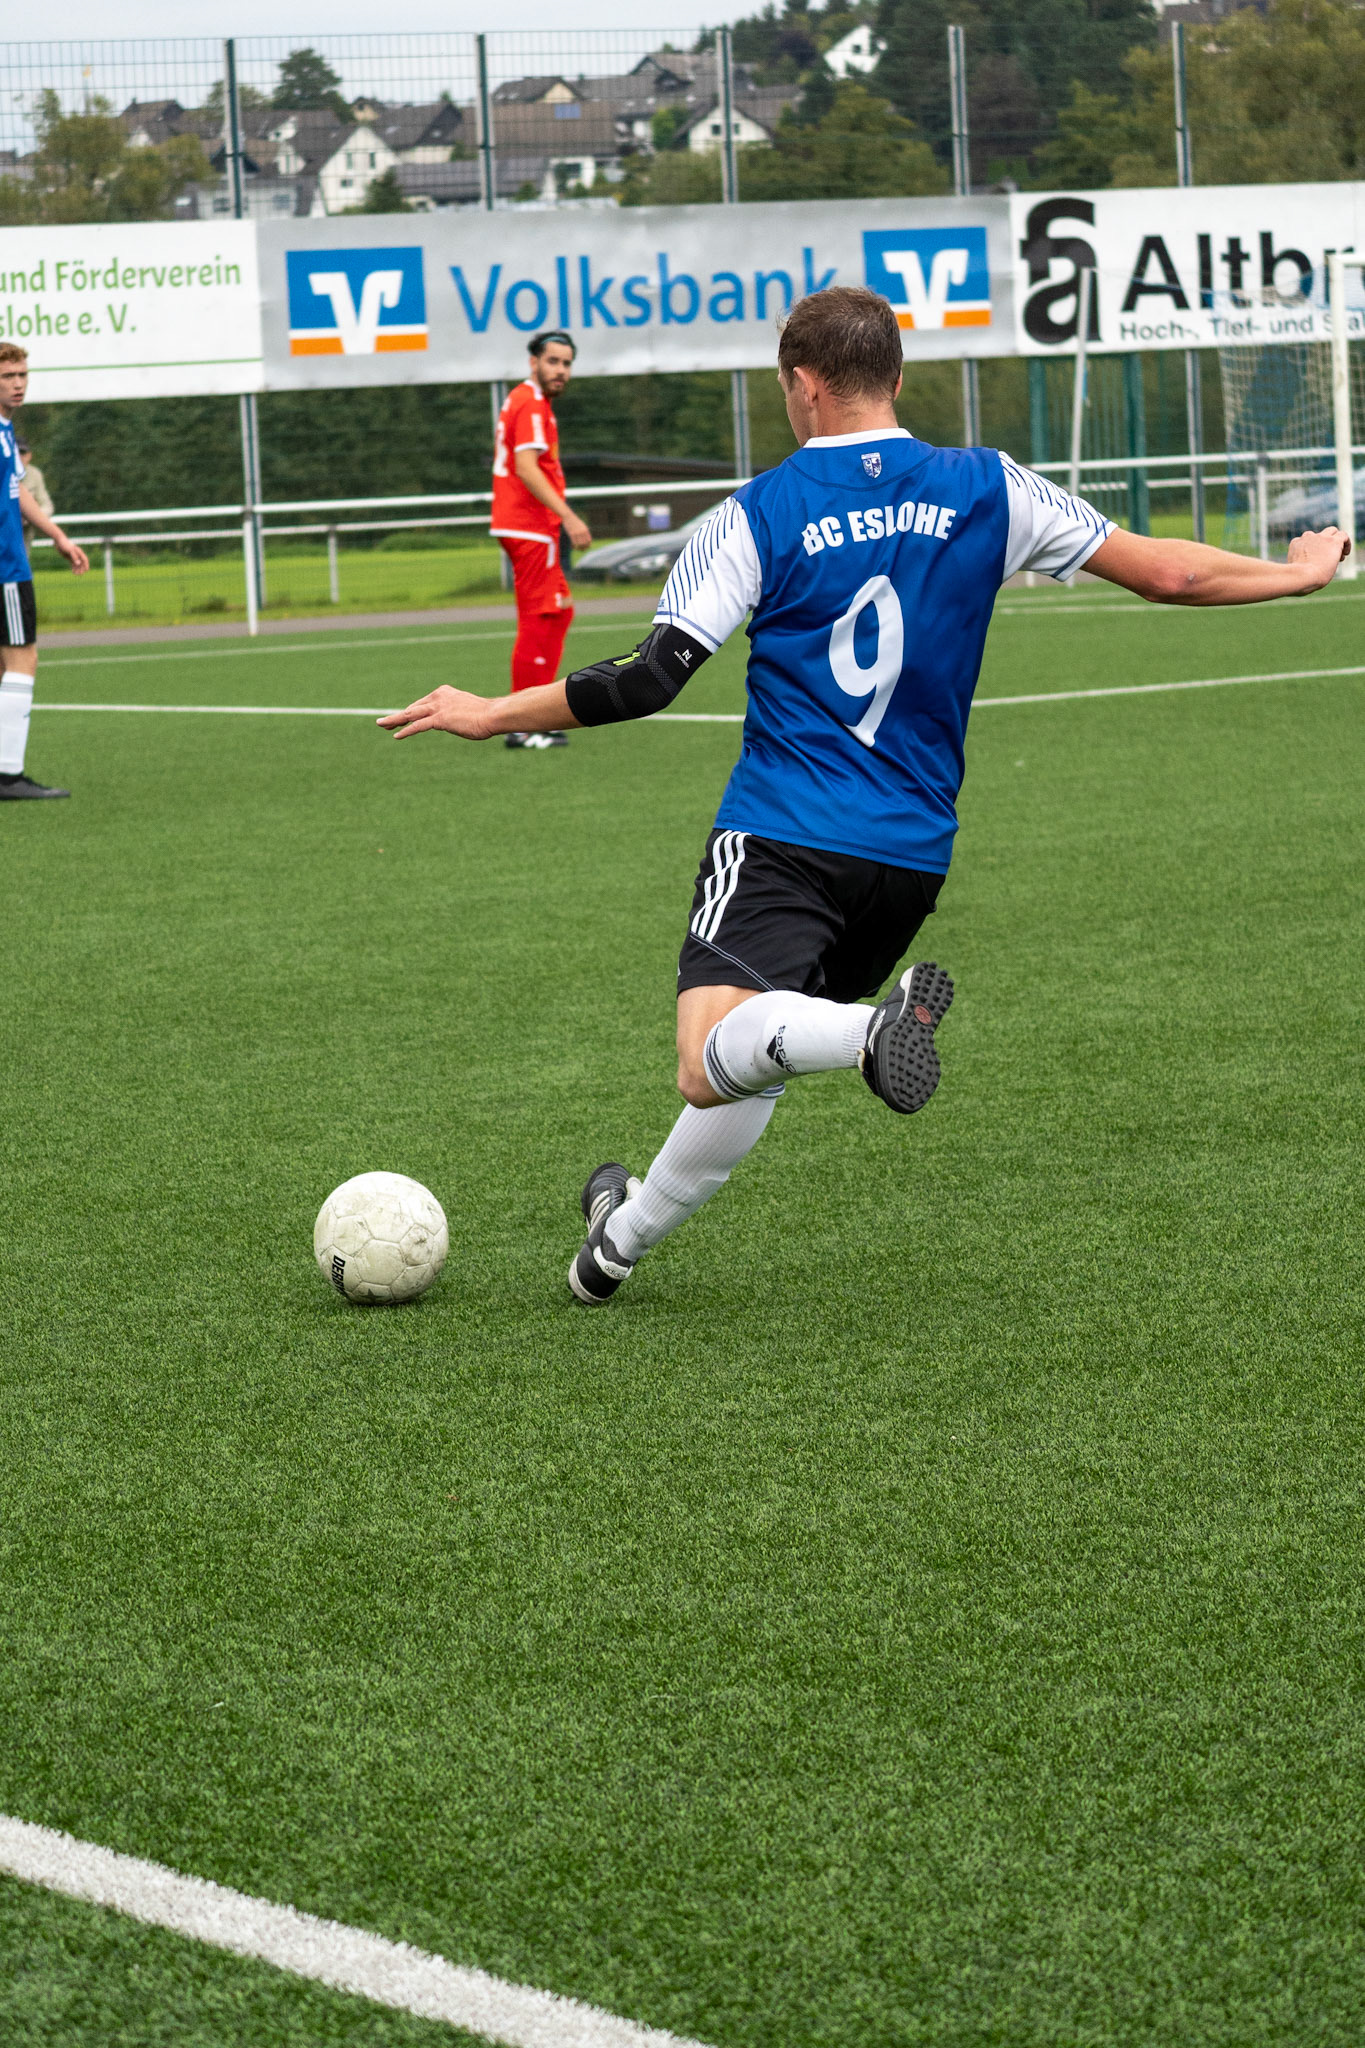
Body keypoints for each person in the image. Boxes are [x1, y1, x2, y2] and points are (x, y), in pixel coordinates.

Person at [381, 286, 1349, 1304]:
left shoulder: (757, 511)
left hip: (784, 832)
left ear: (802, 384)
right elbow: (1168, 575)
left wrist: (491, 711)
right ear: (895, 375)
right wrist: (1295, 573)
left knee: (708, 1059)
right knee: (763, 1041)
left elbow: (649, 676)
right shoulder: (989, 485)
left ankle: (865, 1034)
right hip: (909, 856)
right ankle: (612, 1247)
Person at [490, 330, 591, 752]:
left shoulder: (529, 401)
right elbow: (527, 467)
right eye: (553, 361)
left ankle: (537, 714)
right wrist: (569, 517)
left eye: (566, 363)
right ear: (533, 362)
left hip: (531, 527)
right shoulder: (530, 402)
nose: (561, 370)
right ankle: (521, 723)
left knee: (559, 613)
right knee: (538, 618)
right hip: (529, 526)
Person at [0, 346, 90, 802]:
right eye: (8, 376)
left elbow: (17, 490)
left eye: (22, 374)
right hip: (5, 568)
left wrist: (58, 535)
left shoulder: (5, 430)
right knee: (22, 659)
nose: (18, 383)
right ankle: (8, 776)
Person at [17, 439, 54, 551]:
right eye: (16, 453)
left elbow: (47, 506)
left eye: (22, 453)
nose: (19, 457)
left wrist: (30, 516)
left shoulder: (35, 474)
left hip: (24, 536)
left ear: (29, 456)